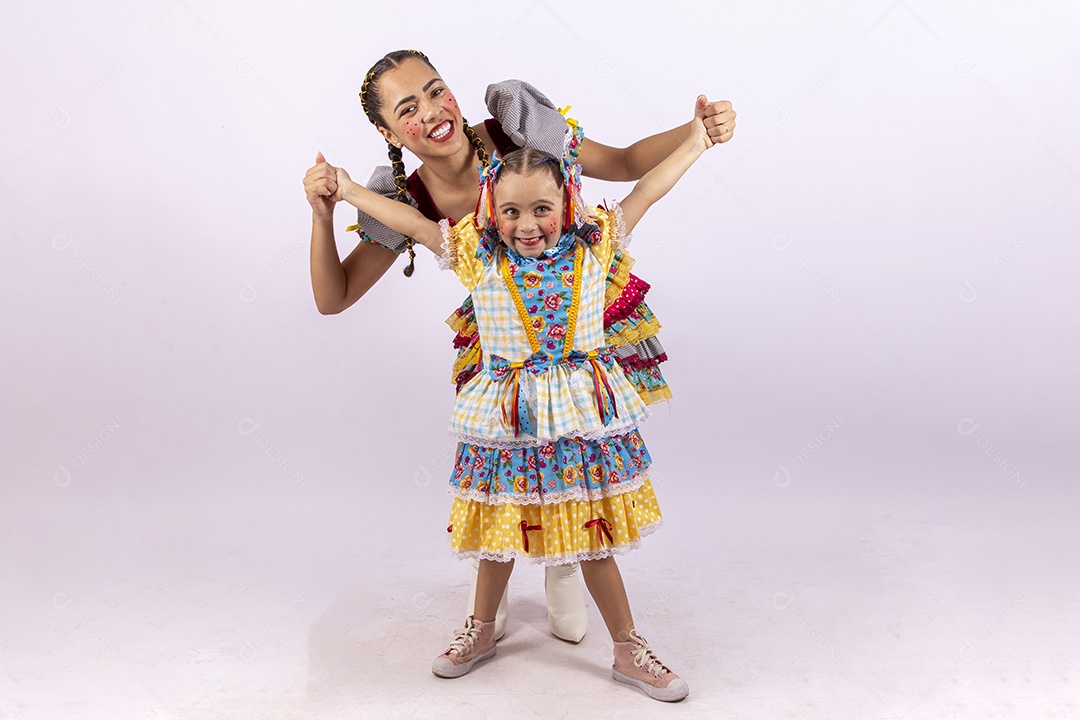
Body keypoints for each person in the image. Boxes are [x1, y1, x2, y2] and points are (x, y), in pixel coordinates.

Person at [304, 49, 736, 644]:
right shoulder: (410, 199)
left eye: (436, 90)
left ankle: (566, 567)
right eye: (408, 108)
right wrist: (328, 210)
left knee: (573, 452)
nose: (432, 111)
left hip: (580, 315)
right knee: (508, 461)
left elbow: (631, 167)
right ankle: (491, 598)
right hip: (504, 339)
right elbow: (337, 296)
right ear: (386, 132)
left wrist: (697, 134)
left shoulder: (518, 128)